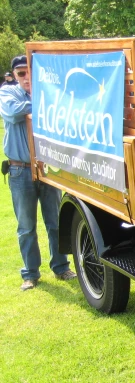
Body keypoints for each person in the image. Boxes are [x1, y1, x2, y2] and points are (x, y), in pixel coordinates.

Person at [0, 55, 76, 290]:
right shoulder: (7, 93)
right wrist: (45, 100)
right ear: (13, 76)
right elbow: (13, 112)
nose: (25, 77)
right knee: (26, 226)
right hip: (19, 169)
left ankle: (61, 267)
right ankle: (30, 274)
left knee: (54, 222)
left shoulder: (46, 91)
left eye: (29, 72)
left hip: (47, 167)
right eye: (20, 73)